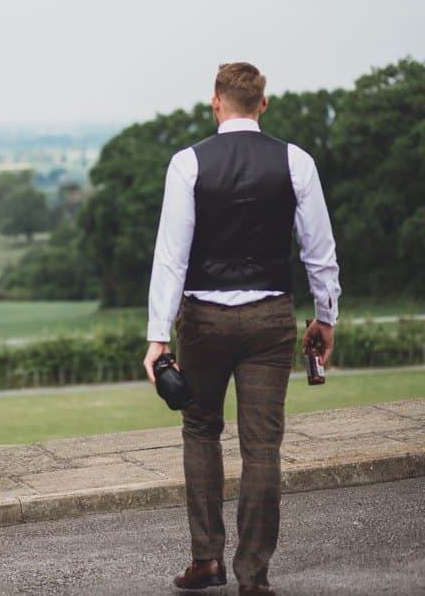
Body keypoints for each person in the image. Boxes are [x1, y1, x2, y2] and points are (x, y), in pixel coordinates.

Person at [143, 63, 340, 595]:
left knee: (201, 431)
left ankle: (206, 560)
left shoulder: (187, 164)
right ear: (263, 104)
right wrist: (326, 316)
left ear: (216, 103)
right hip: (270, 318)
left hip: (203, 320)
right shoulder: (295, 160)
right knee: (262, 447)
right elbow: (319, 250)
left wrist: (157, 336)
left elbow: (171, 258)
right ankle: (254, 575)